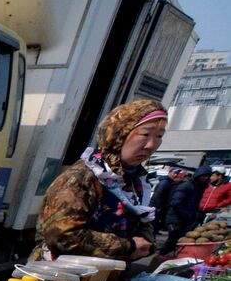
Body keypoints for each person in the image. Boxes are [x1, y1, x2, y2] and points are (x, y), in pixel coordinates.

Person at [36, 99, 166, 262]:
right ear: (119, 133)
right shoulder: (81, 178)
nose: (151, 145)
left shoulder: (134, 183)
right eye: (145, 134)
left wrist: (147, 244)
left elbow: (139, 223)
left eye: (159, 136)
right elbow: (61, 236)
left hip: (102, 279)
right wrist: (128, 246)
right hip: (61, 277)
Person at [152, 167, 199, 256]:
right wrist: (158, 207)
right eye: (175, 173)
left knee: (170, 237)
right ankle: (157, 253)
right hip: (159, 210)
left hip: (166, 211)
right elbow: (159, 195)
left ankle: (157, 250)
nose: (176, 175)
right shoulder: (165, 182)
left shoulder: (172, 183)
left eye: (178, 174)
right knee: (157, 230)